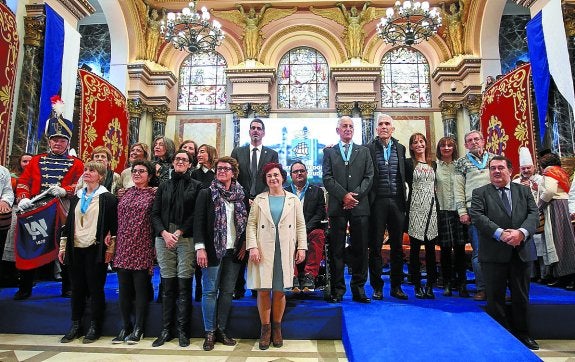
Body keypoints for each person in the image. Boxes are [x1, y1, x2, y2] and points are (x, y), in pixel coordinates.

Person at [469, 156, 540, 350]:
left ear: (510, 170)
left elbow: (534, 215)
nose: (496, 171)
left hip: (521, 251)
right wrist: (500, 233)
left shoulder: (524, 191)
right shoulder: (480, 193)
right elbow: (477, 216)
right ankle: (500, 336)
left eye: (501, 167)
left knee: (521, 296)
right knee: (495, 297)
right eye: (493, 168)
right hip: (493, 253)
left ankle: (523, 334)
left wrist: (520, 233)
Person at [15, 115, 84, 300]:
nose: (58, 143)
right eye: (55, 140)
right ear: (49, 141)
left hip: (62, 209)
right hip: (37, 209)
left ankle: (68, 287)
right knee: (31, 247)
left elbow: (81, 184)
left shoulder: (77, 163)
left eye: (62, 140)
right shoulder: (37, 160)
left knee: (65, 247)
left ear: (68, 143)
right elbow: (23, 181)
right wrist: (23, 198)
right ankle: (25, 288)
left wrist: (65, 190)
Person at [247, 162, 307, 350]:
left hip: (284, 248)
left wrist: (301, 247)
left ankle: (277, 328)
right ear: (266, 180)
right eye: (269, 176)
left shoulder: (293, 199)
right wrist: (253, 247)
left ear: (282, 177)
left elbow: (300, 225)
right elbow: (251, 225)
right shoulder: (259, 199)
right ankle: (265, 329)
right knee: (264, 289)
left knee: (280, 290)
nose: (273, 179)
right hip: (263, 249)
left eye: (276, 175)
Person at [58, 161, 118, 344]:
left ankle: (95, 325)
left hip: (95, 248)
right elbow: (68, 224)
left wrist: (110, 249)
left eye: (92, 171)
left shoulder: (107, 198)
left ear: (100, 176)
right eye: (86, 170)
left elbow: (113, 227)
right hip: (75, 247)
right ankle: (76, 324)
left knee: (94, 288)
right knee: (76, 288)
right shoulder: (77, 197)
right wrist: (63, 247)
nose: (87, 173)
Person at [194, 156, 248, 351]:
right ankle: (209, 332)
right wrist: (200, 247)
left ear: (233, 172)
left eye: (226, 168)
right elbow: (198, 223)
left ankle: (221, 329)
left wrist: (244, 245)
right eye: (219, 168)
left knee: (226, 292)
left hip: (234, 251)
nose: (222, 171)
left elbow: (246, 224)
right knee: (209, 291)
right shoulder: (206, 193)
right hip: (212, 250)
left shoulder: (241, 194)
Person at [151, 149, 201, 347]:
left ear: (190, 164)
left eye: (185, 159)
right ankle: (165, 330)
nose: (180, 161)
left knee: (183, 286)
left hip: (185, 238)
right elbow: (154, 213)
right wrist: (163, 233)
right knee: (167, 285)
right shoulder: (163, 186)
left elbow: (196, 214)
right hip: (163, 238)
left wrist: (178, 232)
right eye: (177, 159)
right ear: (172, 163)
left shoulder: (196, 186)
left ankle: (183, 331)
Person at [323, 116, 373, 303]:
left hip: (360, 207)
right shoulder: (329, 152)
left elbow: (369, 176)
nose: (348, 129)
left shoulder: (364, 151)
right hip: (337, 206)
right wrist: (344, 196)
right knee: (336, 249)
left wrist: (354, 197)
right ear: (338, 130)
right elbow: (327, 178)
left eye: (351, 126)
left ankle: (359, 289)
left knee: (360, 249)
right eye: (344, 126)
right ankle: (338, 289)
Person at [231, 118, 279, 299]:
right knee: (239, 245)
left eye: (259, 128)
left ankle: (256, 285)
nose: (256, 131)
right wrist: (244, 198)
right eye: (253, 128)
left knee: (258, 245)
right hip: (239, 205)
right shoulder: (238, 151)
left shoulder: (271, 154)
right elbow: (232, 177)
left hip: (263, 204)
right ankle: (238, 286)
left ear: (263, 132)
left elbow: (273, 179)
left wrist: (259, 199)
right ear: (249, 131)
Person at [111, 160, 158, 345]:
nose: (137, 174)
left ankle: (139, 328)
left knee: (140, 289)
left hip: (142, 244)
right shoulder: (125, 193)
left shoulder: (153, 194)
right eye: (135, 171)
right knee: (123, 289)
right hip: (123, 245)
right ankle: (125, 326)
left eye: (142, 171)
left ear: (150, 175)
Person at [367, 114, 409, 300]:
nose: (384, 127)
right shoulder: (368, 149)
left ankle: (397, 287)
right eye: (381, 124)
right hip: (377, 202)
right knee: (375, 246)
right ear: (376, 128)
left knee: (397, 248)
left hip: (397, 201)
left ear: (392, 128)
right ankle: (377, 287)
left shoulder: (400, 148)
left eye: (387, 124)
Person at [454, 130, 495, 301]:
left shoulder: (494, 159)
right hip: (474, 210)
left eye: (476, 139)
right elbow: (458, 188)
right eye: (470, 141)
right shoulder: (461, 163)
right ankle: (482, 288)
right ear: (465, 145)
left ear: (483, 141)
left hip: (495, 208)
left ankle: (498, 288)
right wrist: (462, 211)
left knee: (499, 250)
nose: (474, 142)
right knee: (479, 251)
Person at [435, 136, 469, 297]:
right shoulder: (435, 166)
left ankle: (462, 283)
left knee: (461, 250)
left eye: (449, 145)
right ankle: (447, 282)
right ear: (439, 148)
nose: (446, 148)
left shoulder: (460, 166)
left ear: (454, 148)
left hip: (459, 211)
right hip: (443, 211)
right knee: (446, 250)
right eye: (443, 146)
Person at [285, 161, 326, 292]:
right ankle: (292, 276)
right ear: (291, 175)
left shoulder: (317, 191)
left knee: (319, 234)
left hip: (310, 229)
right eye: (296, 171)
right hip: (289, 231)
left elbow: (320, 214)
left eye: (302, 170)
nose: (299, 173)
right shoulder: (284, 193)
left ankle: (309, 276)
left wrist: (304, 230)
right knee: (284, 238)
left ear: (307, 173)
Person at [405, 133, 437, 299]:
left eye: (421, 141)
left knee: (431, 249)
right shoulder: (408, 163)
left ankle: (430, 285)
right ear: (411, 147)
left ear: (426, 144)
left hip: (432, 209)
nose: (418, 144)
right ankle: (417, 285)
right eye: (415, 142)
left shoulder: (434, 164)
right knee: (415, 250)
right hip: (415, 209)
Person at [537, 152, 575, 290]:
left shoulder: (549, 172)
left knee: (559, 242)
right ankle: (565, 276)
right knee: (566, 241)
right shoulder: (561, 172)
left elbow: (549, 191)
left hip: (555, 207)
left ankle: (565, 276)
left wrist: (539, 206)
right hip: (562, 205)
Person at [512, 147, 547, 283]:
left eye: (528, 168)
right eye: (523, 168)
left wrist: (536, 188)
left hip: (540, 217)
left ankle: (544, 275)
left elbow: (546, 194)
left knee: (541, 247)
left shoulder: (540, 179)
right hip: (522, 220)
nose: (526, 171)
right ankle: (530, 274)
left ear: (534, 167)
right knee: (527, 247)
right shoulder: (515, 182)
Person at [190, 144, 218, 301]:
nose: (199, 155)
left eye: (202, 152)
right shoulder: (194, 173)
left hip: (214, 220)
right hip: (198, 215)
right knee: (199, 255)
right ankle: (199, 289)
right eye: (198, 152)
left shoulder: (216, 174)